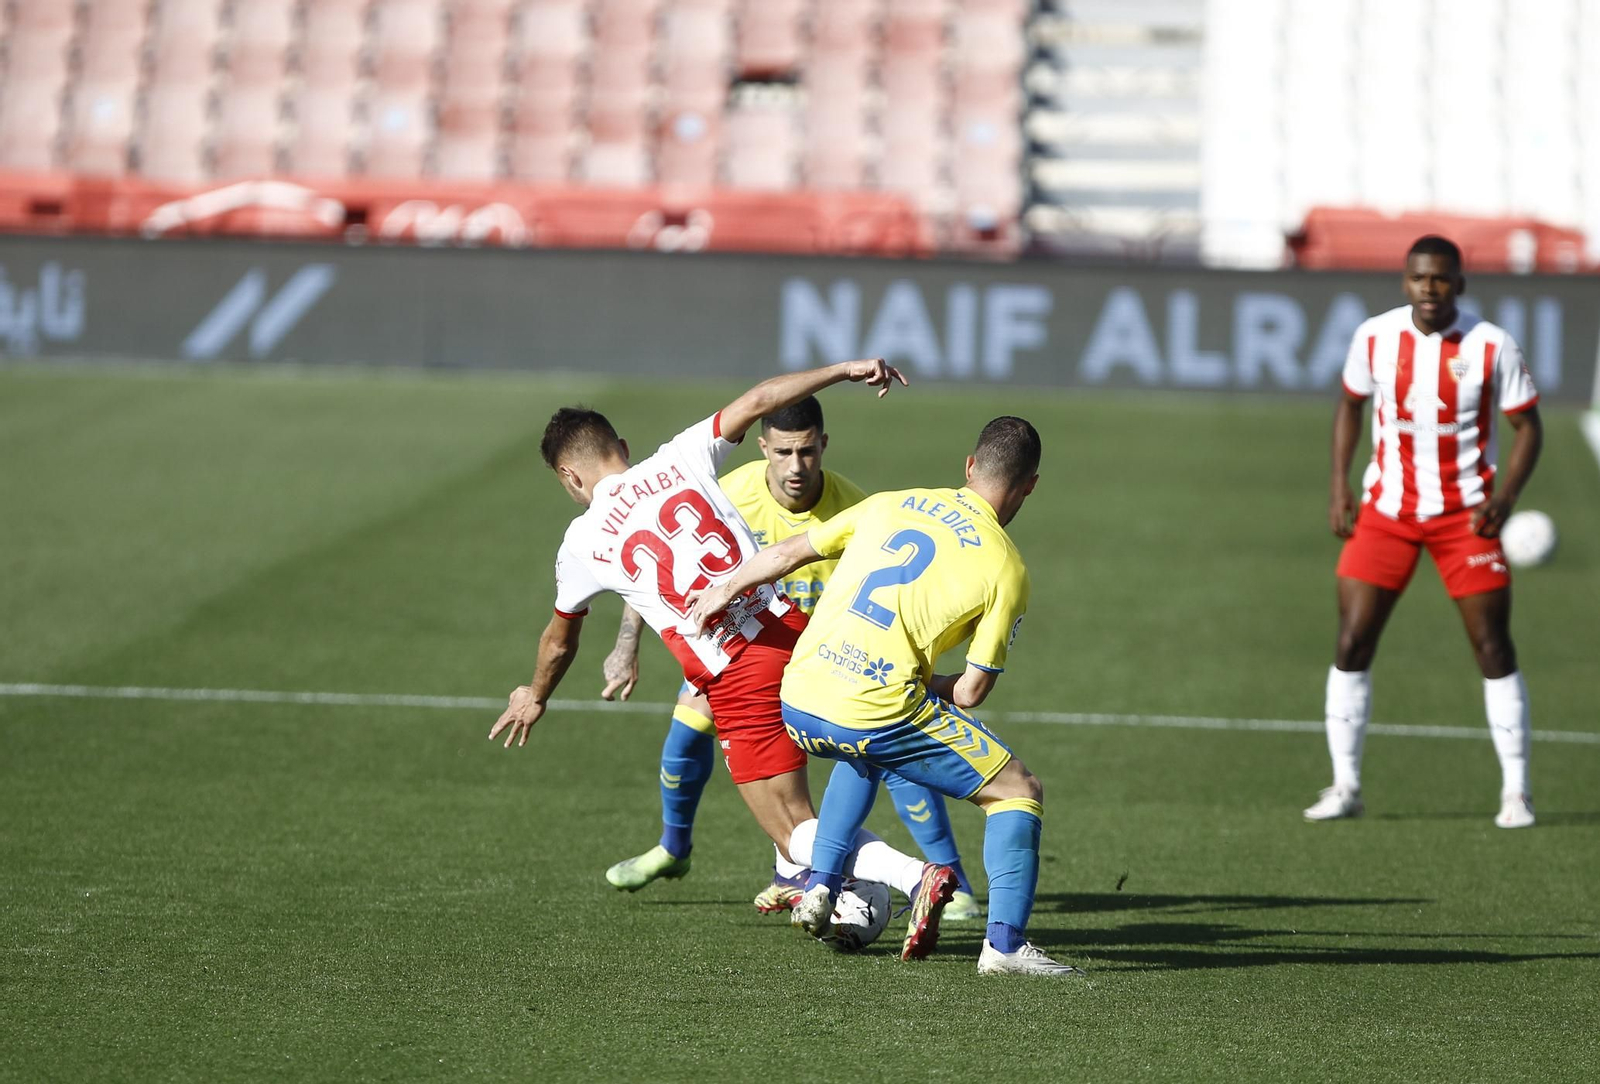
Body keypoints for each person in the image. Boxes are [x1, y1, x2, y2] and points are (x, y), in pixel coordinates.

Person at [491, 359, 960, 956]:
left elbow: (561, 638)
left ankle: (914, 876)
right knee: (827, 786)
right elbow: (763, 395)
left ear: (567, 475)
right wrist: (845, 370)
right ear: (623, 448)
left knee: (792, 829)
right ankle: (835, 886)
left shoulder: (581, 541)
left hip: (737, 668)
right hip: (792, 626)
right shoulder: (676, 457)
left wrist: (535, 693)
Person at [686, 417, 1083, 976]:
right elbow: (971, 690)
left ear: (969, 466)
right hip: (872, 708)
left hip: (797, 695)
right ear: (1029, 486)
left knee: (868, 751)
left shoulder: (893, 501)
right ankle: (1005, 946)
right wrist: (924, 683)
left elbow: (792, 551)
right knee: (1018, 789)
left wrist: (724, 589)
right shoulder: (1006, 567)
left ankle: (821, 883)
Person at [599, 396, 982, 920]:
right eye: (783, 452)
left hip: (825, 654)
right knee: (687, 731)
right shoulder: (730, 494)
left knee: (886, 755)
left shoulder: (854, 507)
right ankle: (675, 849)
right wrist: (626, 645)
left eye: (806, 451)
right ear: (763, 449)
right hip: (743, 649)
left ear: (823, 445)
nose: (796, 466)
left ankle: (952, 880)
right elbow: (651, 566)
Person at [1306, 235, 1543, 828]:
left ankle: (1516, 791)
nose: (1429, 289)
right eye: (1419, 278)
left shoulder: (1492, 346)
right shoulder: (1374, 337)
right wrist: (1340, 487)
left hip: (1467, 516)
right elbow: (1350, 406)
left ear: (1459, 284)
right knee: (1351, 642)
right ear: (1405, 282)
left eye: (1441, 279)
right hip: (1387, 512)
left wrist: (1506, 498)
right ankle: (1345, 785)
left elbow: (1529, 427)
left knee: (1493, 649)